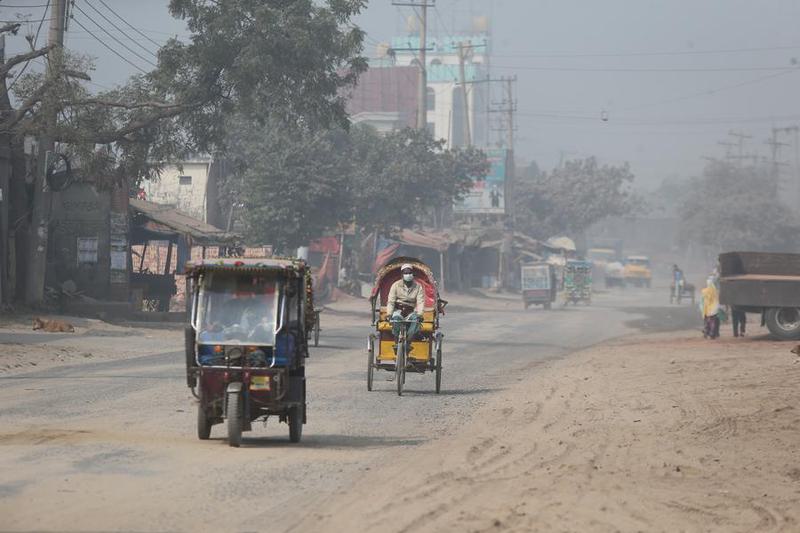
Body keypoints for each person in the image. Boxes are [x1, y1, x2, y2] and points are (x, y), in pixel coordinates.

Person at [386, 263, 425, 344]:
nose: (408, 275)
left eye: (410, 273)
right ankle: (397, 341)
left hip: (411, 312)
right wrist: (389, 314)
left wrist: (420, 314)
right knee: (396, 320)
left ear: (413, 274)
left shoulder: (418, 286)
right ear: (402, 275)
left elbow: (420, 302)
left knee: (416, 321)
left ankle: (408, 341)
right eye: (406, 273)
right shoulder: (395, 285)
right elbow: (391, 301)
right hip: (398, 311)